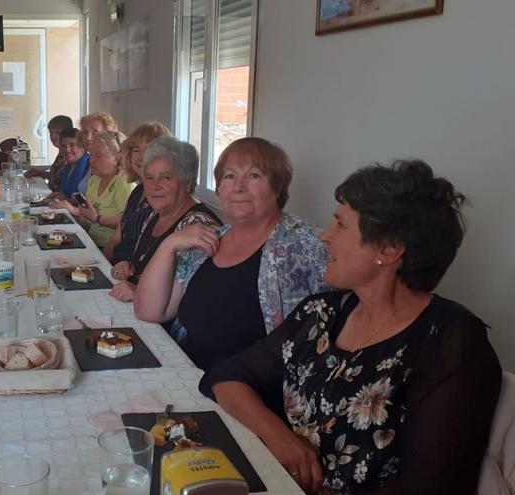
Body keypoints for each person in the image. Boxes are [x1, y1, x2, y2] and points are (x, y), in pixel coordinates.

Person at [201, 160, 501, 494]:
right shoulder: (321, 313)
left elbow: (430, 485)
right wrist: (280, 437)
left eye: (340, 225)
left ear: (388, 249)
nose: (325, 235)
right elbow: (226, 376)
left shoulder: (451, 341)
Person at [134, 137, 328, 372]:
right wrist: (170, 244)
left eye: (254, 175)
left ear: (277, 186)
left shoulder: (304, 244)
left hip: (245, 395)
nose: (239, 187)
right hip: (184, 376)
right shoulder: (204, 244)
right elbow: (149, 311)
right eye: (229, 176)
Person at [108, 137, 220, 302]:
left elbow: (188, 300)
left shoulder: (197, 225)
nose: (155, 186)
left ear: (187, 183)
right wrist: (120, 269)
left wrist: (138, 292)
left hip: (163, 326)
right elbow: (137, 270)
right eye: (149, 177)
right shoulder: (154, 215)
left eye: (166, 178)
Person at [104, 122, 171, 264]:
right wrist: (99, 266)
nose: (140, 157)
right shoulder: (137, 191)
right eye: (136, 150)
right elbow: (116, 238)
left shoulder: (162, 198)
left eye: (149, 149)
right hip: (115, 268)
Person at [55, 130, 133, 248]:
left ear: (118, 158)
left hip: (110, 248)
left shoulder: (123, 182)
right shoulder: (94, 179)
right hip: (91, 241)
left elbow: (128, 221)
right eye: (91, 154)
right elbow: (87, 220)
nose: (91, 160)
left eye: (98, 156)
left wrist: (97, 218)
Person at [24, 114, 74, 193]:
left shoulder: (70, 156)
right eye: (51, 132)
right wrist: (41, 173)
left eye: (57, 132)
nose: (53, 136)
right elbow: (57, 177)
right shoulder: (60, 154)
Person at [55, 127, 91, 198]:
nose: (67, 150)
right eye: (63, 146)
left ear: (83, 147)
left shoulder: (91, 166)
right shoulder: (67, 166)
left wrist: (67, 200)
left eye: (72, 145)